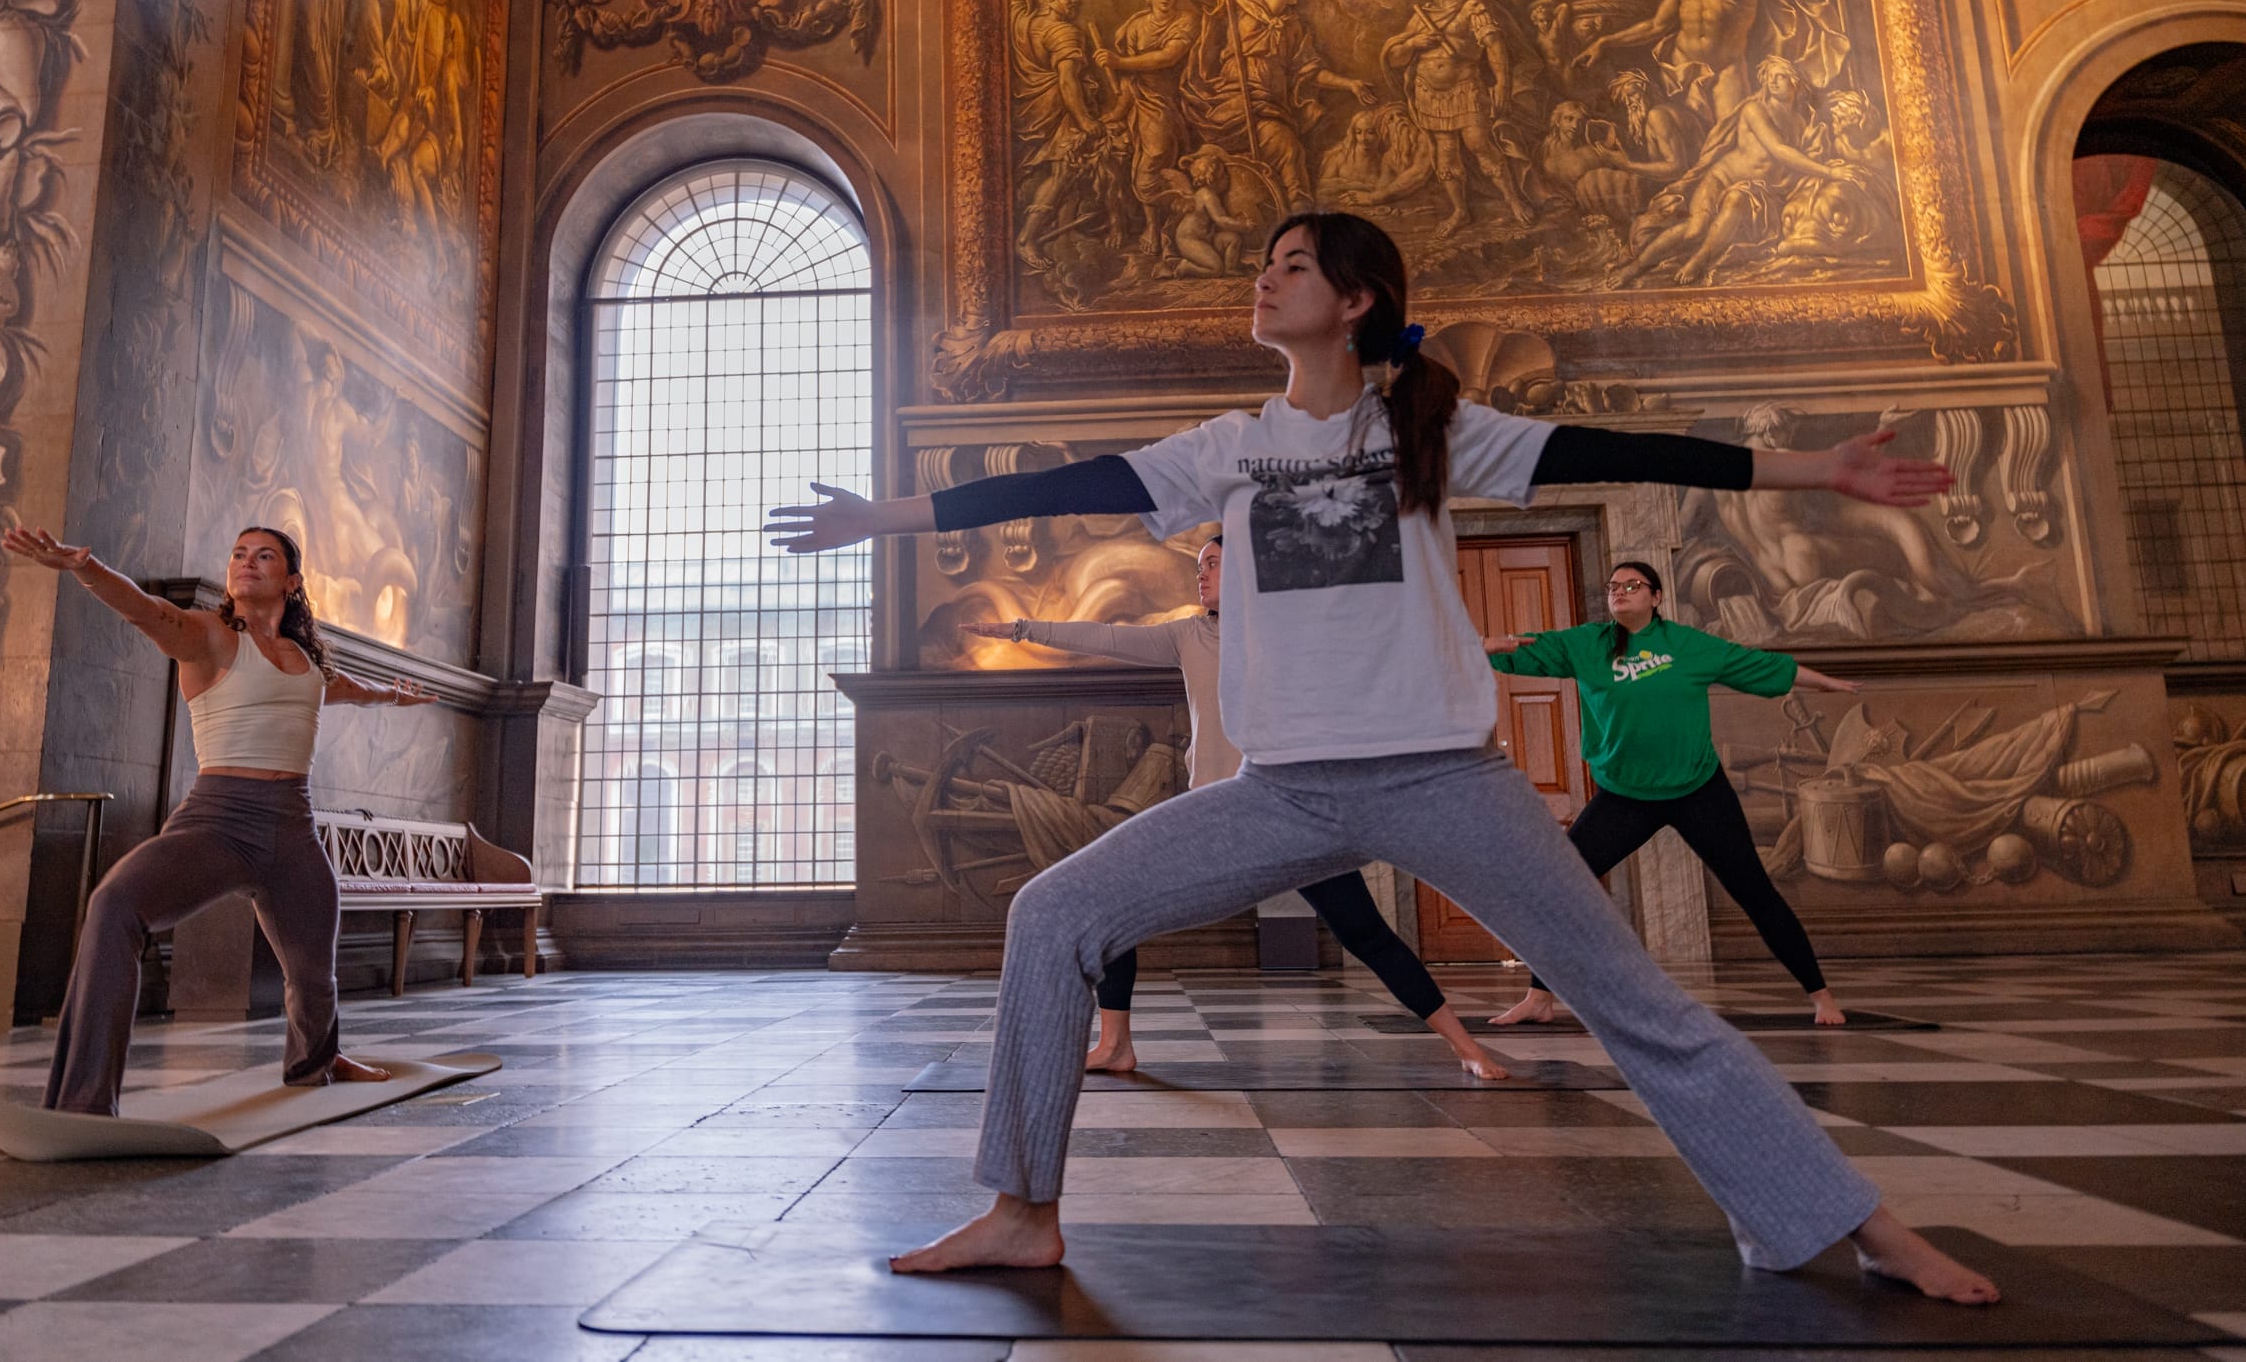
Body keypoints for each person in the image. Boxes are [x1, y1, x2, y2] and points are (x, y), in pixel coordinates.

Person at [768, 211, 1999, 1304]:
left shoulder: (1429, 428)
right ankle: (1021, 1211)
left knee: (1637, 1003)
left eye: (1292, 264)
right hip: (1280, 787)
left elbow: (1616, 450)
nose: (1263, 279)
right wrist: (885, 516)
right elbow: (1067, 480)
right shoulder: (1228, 445)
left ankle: (1856, 1222)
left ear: (1354, 299)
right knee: (1051, 912)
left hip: (1444, 778)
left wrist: (1816, 467)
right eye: (1263, 263)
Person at [965, 536, 1507, 1080]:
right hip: (1216, 818)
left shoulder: (1292, 634)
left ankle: (1467, 1047)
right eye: (1198, 566)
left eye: (1213, 564)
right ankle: (1114, 1045)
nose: (1200, 575)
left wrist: (1468, 649)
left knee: (1365, 933)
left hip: (1295, 814)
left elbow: (1377, 654)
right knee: (1107, 904)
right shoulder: (1187, 635)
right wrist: (1022, 629)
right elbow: (1106, 637)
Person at [3, 524, 434, 1116]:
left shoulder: (304, 660)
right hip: (219, 821)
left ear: (292, 581)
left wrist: (393, 696)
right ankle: (84, 1101)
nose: (246, 563)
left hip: (293, 827)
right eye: (238, 554)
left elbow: (347, 689)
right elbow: (144, 609)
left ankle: (316, 1061)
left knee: (313, 971)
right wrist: (86, 567)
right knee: (114, 906)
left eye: (264, 556)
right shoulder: (207, 635)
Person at [1480, 560, 1857, 1028]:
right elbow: (1523, 648)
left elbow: (1760, 666)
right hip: (1625, 795)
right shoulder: (1587, 644)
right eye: (1614, 586)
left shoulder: (1688, 645)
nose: (1620, 592)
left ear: (1656, 597)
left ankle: (1822, 997)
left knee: (1754, 890)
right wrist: (1482, 647)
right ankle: (1539, 997)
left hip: (1698, 790)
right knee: (1559, 884)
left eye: (1632, 585)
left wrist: (1829, 683)